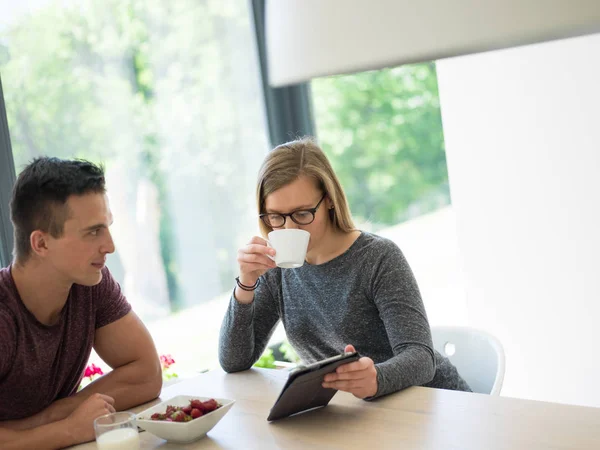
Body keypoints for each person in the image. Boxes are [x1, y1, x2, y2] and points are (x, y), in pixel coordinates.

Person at [219, 138, 470, 400]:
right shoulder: (276, 269)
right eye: (276, 217)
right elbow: (234, 362)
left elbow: (421, 358)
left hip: (433, 404)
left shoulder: (377, 257)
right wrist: (246, 284)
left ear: (328, 200)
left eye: (303, 214)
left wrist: (375, 379)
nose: (288, 229)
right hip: (364, 415)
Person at [0, 157, 163, 449]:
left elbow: (146, 375)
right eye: (93, 231)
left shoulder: (88, 281)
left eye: (107, 227)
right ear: (41, 244)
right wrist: (68, 430)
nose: (110, 246)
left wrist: (55, 414)